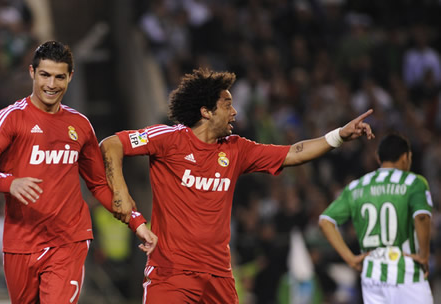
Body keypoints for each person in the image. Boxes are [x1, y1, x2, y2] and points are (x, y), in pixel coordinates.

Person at [100, 67, 375, 303]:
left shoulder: (236, 149)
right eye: (227, 104)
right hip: (172, 273)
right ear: (206, 111)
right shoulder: (168, 139)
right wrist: (121, 192)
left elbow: (294, 152)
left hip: (219, 274)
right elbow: (111, 144)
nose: (234, 111)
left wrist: (339, 136)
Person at [0, 40, 157, 304]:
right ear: (32, 72)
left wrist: (137, 222)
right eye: (44, 75)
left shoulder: (80, 125)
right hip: (21, 243)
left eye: (59, 77)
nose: (51, 85)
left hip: (69, 240)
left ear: (70, 77)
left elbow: (99, 184)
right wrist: (10, 183)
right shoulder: (10, 118)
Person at [319, 133, 433, 304]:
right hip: (405, 269)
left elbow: (325, 220)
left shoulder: (357, 186)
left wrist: (350, 258)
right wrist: (424, 255)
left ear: (379, 158)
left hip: (372, 274)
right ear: (405, 157)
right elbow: (422, 217)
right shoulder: (414, 182)